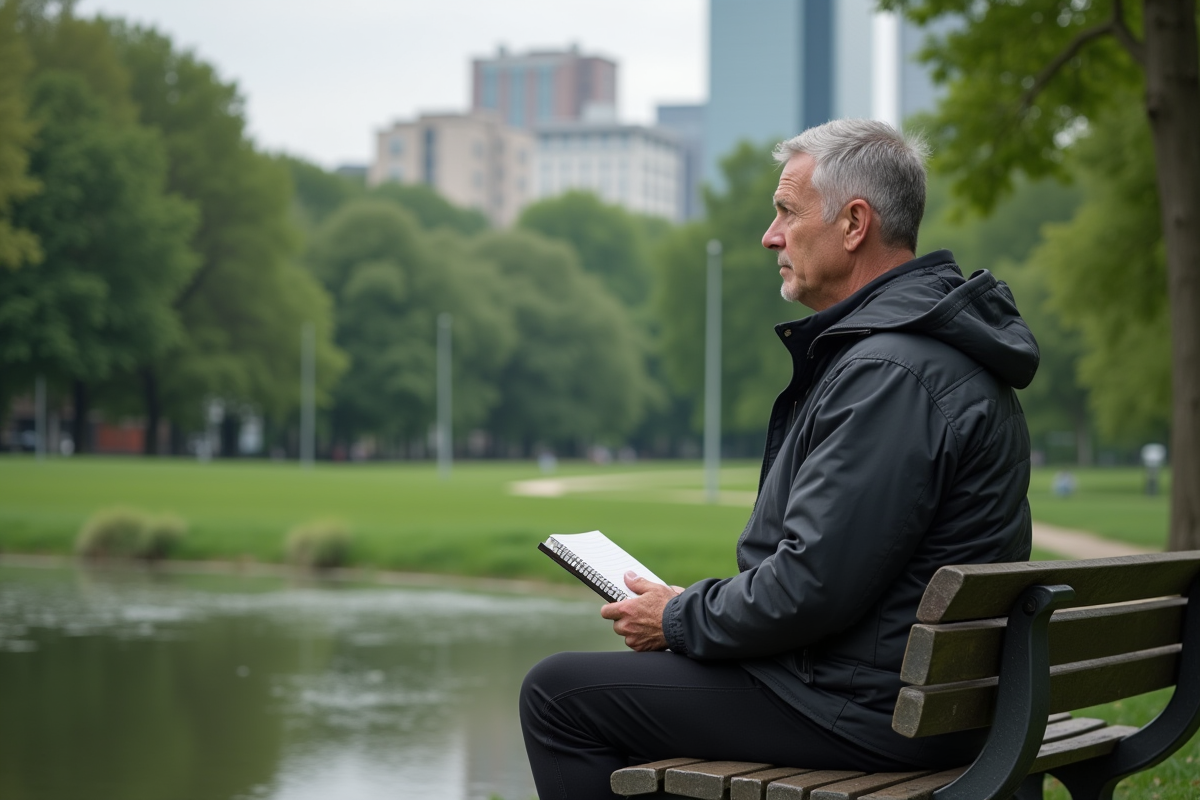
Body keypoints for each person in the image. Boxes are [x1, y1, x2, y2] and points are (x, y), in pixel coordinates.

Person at [519, 118, 1039, 800]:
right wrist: (693, 611)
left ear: (855, 224)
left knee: (557, 695)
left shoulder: (891, 371)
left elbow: (810, 587)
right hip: (921, 696)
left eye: (787, 213)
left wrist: (677, 618)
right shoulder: (922, 353)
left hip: (869, 710)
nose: (770, 236)